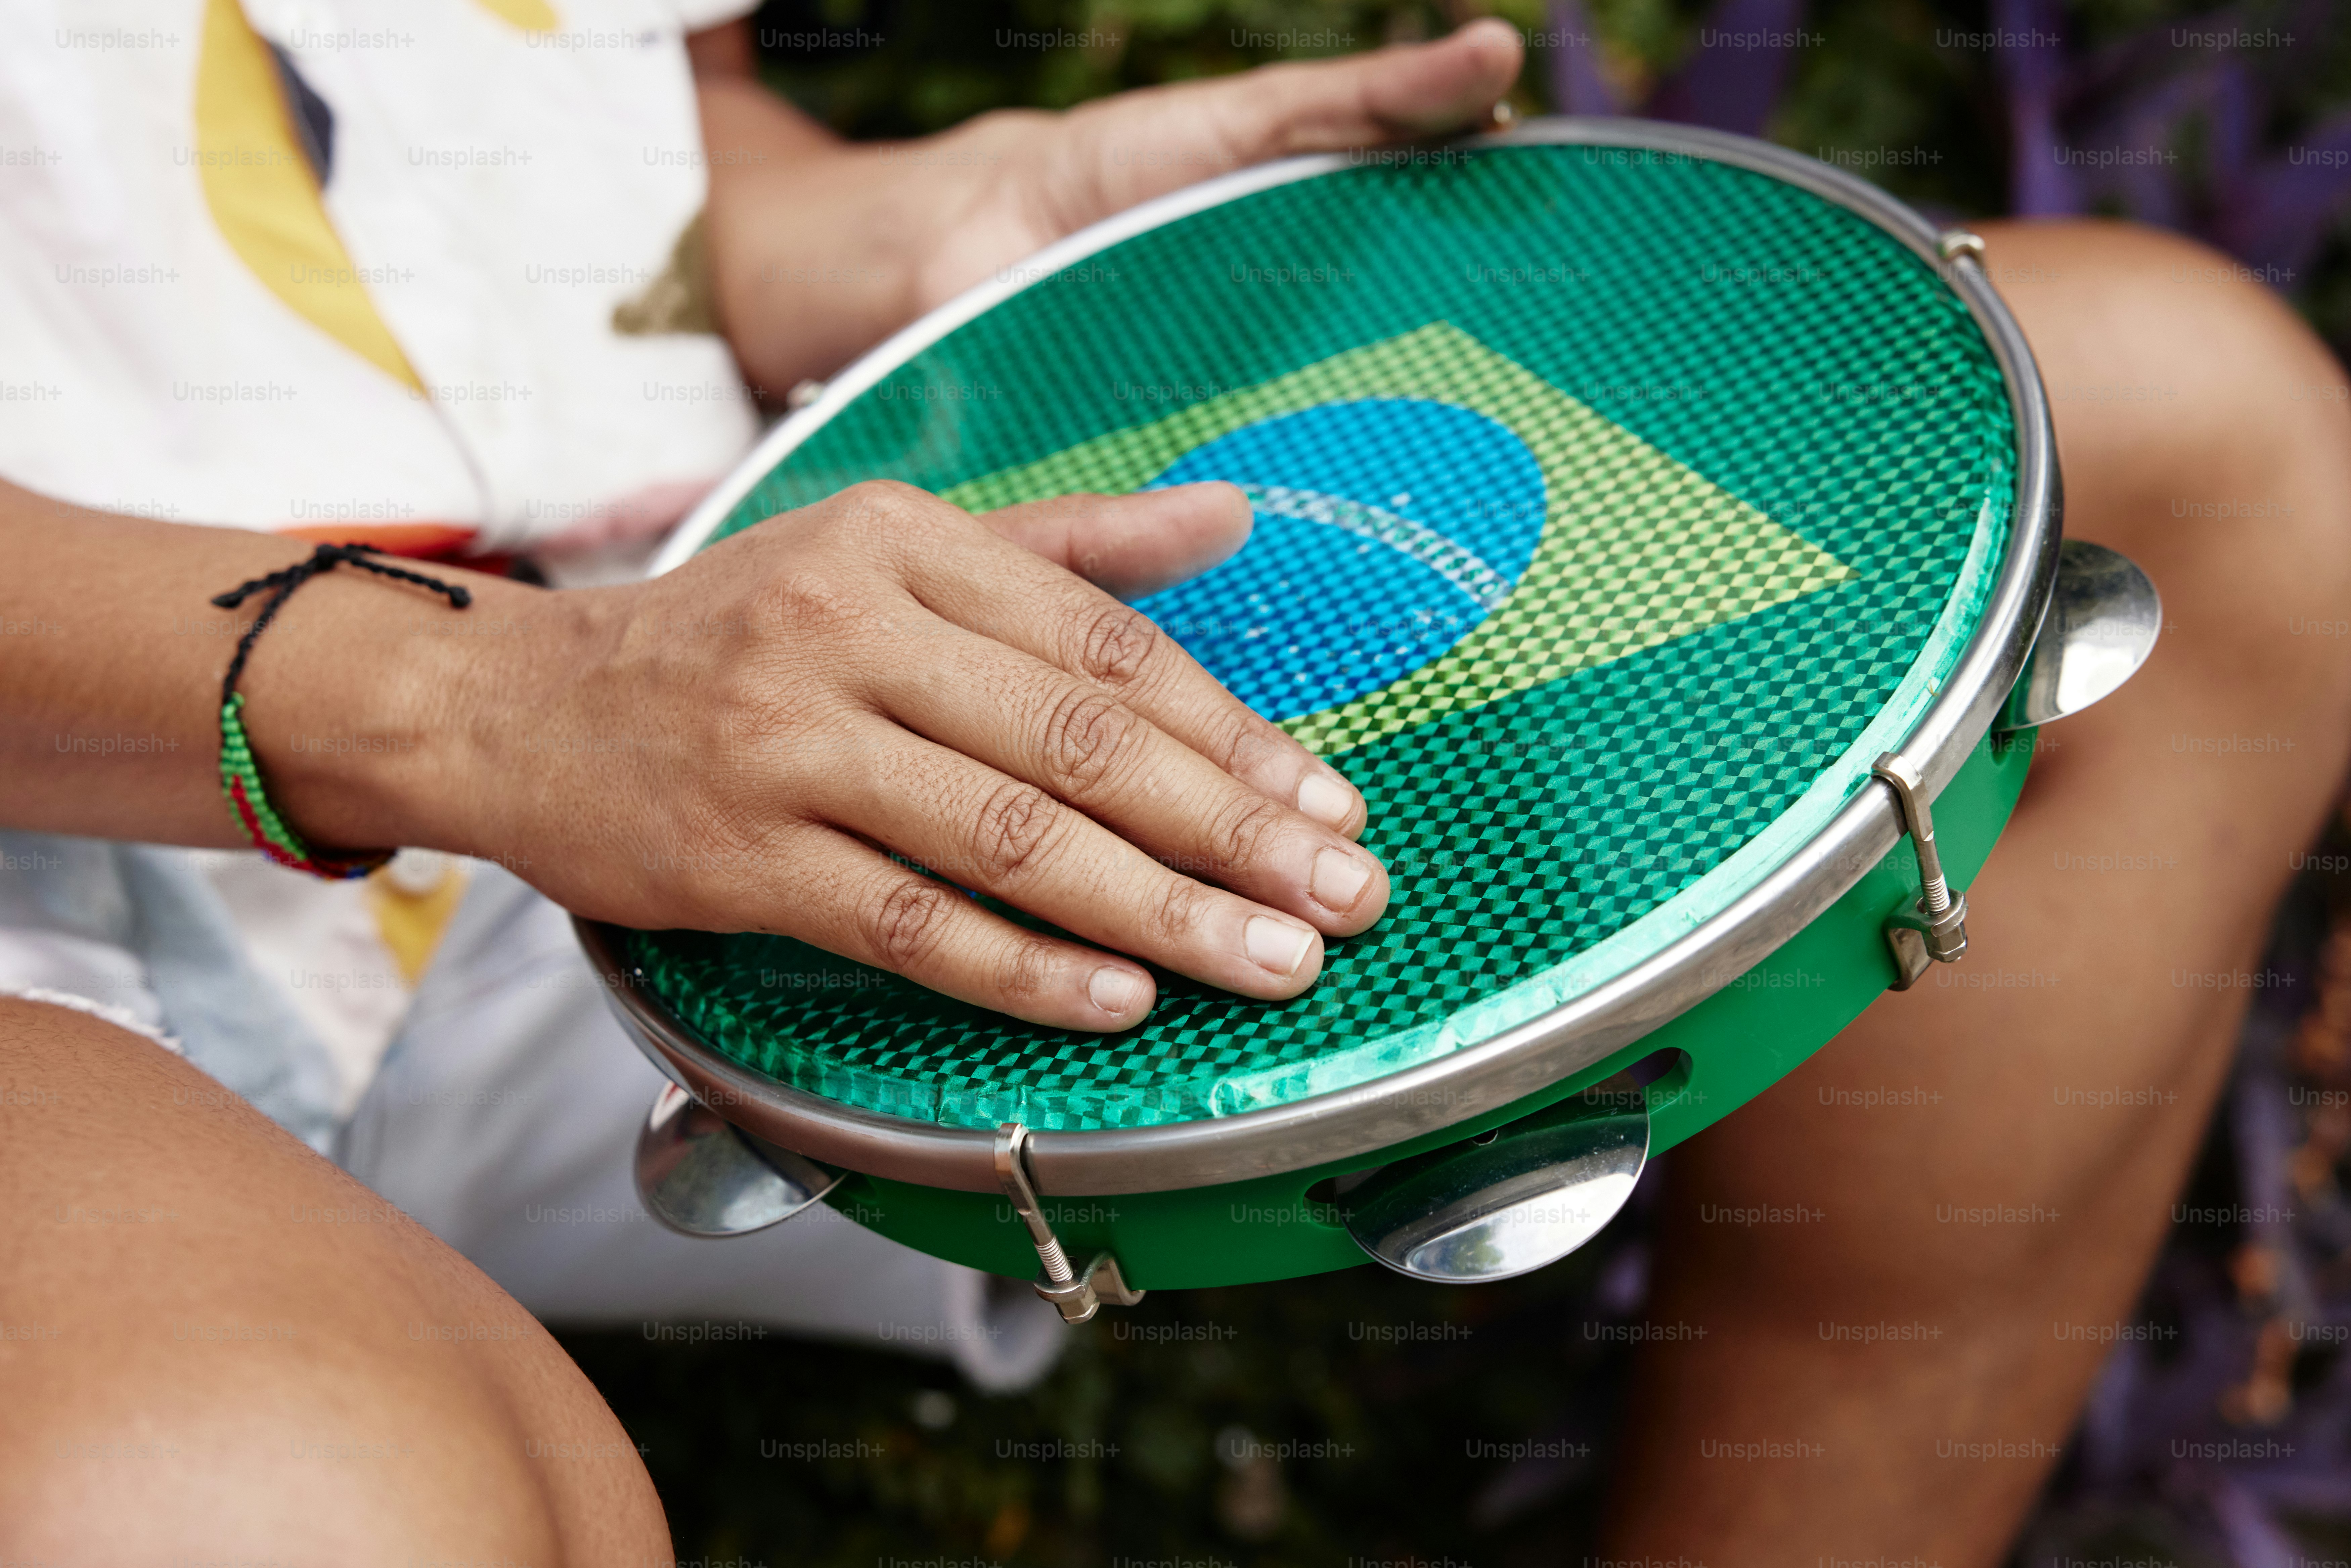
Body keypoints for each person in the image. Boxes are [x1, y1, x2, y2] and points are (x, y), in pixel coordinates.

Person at [1, 7, 2345, 1564]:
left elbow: (579, 134)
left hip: (660, 622)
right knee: (287, 1504)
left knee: (2187, 431)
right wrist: (482, 710)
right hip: (77, 877)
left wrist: (890, 246)